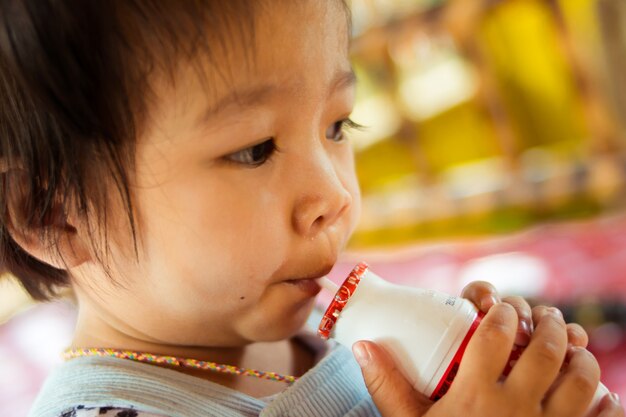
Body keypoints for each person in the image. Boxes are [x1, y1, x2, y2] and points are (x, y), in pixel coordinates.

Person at [0, 1, 622, 416]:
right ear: (57, 215)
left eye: (337, 124)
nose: (334, 195)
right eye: (254, 150)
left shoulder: (305, 329)